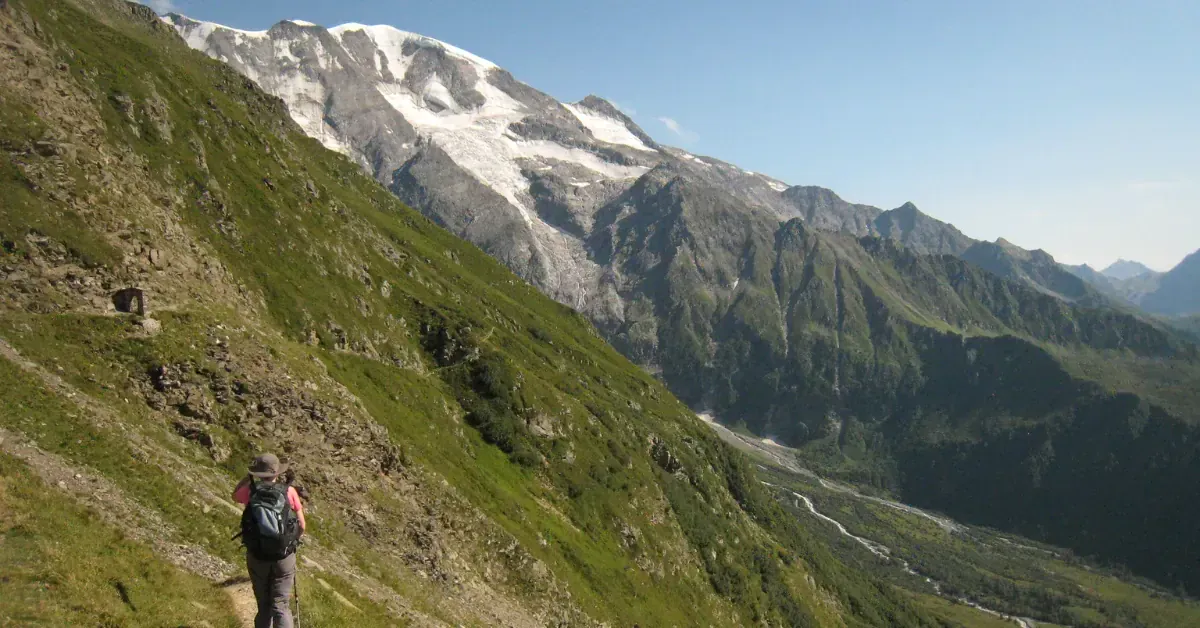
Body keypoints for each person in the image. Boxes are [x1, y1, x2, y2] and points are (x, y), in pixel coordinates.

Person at [233, 453, 306, 628]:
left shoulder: (251, 490)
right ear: (277, 473)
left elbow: (234, 495)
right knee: (281, 605)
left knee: (264, 606)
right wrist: (292, 541)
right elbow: (302, 525)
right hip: (283, 556)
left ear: (258, 473)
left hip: (257, 555)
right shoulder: (289, 491)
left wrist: (249, 477)